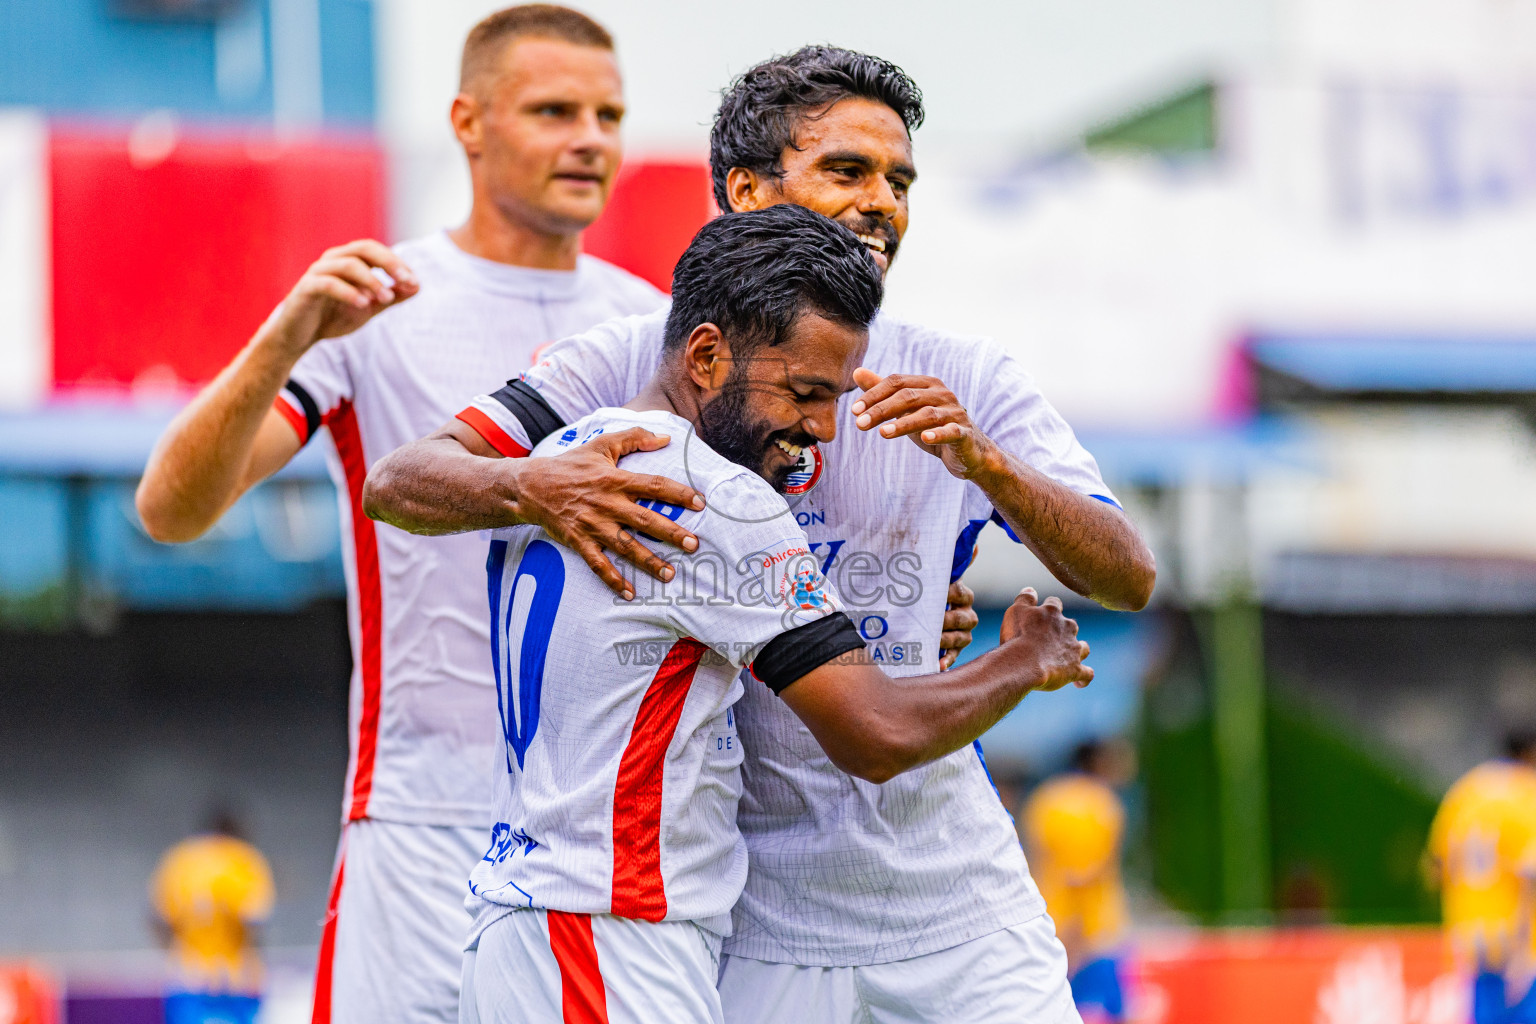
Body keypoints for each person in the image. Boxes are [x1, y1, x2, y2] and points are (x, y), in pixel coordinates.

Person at [366, 46, 1156, 1023]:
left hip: (958, 900)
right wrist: (539, 487)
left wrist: (989, 468)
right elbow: (402, 479)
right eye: (848, 171)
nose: (883, 203)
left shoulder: (968, 376)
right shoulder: (635, 362)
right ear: (745, 190)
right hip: (753, 920)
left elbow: (1127, 576)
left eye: (900, 180)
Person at [133, 8, 674, 1023]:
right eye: (555, 109)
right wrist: (284, 336)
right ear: (468, 121)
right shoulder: (378, 307)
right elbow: (170, 510)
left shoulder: (656, 330)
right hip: (420, 821)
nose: (591, 137)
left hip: (603, 829)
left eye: (609, 113)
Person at [460, 204, 1094, 1024]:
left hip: (532, 923)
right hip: (608, 940)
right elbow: (874, 732)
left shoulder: (563, 458)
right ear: (705, 354)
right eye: (804, 392)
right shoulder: (714, 496)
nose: (820, 430)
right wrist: (1026, 660)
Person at [1425, 729, 1536, 1024]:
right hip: (1520, 936)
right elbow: (1531, 871)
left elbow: (1435, 868)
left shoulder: (1465, 791)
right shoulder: (1528, 791)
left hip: (1470, 932)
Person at [1023, 739, 1137, 1024]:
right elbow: (1096, 869)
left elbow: (1036, 858)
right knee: (1112, 1012)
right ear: (1097, 762)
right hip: (1098, 929)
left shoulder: (1044, 799)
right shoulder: (1103, 802)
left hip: (1051, 924)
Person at [150, 812, 275, 1024]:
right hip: (237, 979)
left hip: (187, 976)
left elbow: (158, 918)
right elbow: (255, 920)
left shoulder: (180, 860)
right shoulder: (244, 859)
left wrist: (175, 949)